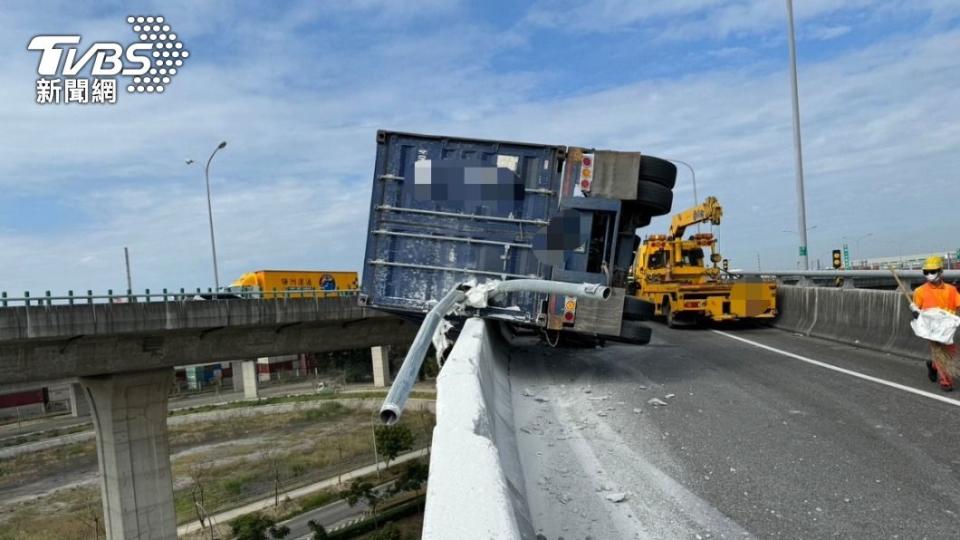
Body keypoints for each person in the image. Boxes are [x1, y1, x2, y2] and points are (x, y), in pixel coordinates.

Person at [911, 256, 960, 391]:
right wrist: (915, 313)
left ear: (940, 271)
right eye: (926, 272)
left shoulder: (951, 290)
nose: (929, 275)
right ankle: (946, 381)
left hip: (948, 327)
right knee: (940, 351)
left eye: (932, 271)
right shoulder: (920, 291)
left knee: (950, 352)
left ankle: (933, 366)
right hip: (931, 329)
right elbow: (916, 309)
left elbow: (958, 304)